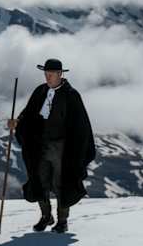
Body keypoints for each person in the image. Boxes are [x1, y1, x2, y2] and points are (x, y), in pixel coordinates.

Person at [7, 58, 96, 233]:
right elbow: (29, 114)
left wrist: (78, 150)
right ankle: (46, 217)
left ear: (60, 74)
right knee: (40, 180)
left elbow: (81, 126)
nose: (47, 77)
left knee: (61, 183)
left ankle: (62, 220)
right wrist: (17, 122)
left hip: (63, 149)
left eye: (51, 74)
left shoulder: (72, 96)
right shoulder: (40, 91)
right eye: (46, 74)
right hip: (40, 146)